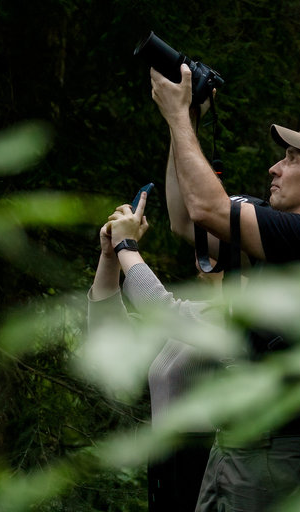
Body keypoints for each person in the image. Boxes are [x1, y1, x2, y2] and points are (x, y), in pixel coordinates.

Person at [150, 63, 300, 511]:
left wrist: (176, 117)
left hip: (274, 450)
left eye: (291, 161)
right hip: (238, 442)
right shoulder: (283, 238)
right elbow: (185, 219)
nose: (275, 168)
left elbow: (207, 208)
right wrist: (186, 122)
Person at [88, 191, 221, 512]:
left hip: (209, 464)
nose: (201, 249)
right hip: (168, 462)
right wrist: (109, 257)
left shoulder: (239, 314)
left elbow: (160, 309)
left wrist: (126, 247)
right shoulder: (195, 313)